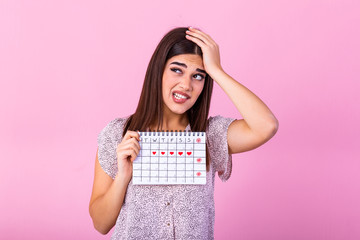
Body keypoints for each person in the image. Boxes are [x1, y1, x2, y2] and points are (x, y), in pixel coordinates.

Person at [89, 26, 279, 239]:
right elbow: (101, 223)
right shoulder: (118, 134)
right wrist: (123, 176)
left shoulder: (211, 136)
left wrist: (216, 71)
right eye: (177, 70)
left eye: (198, 76)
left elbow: (266, 126)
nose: (186, 84)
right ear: (158, 70)